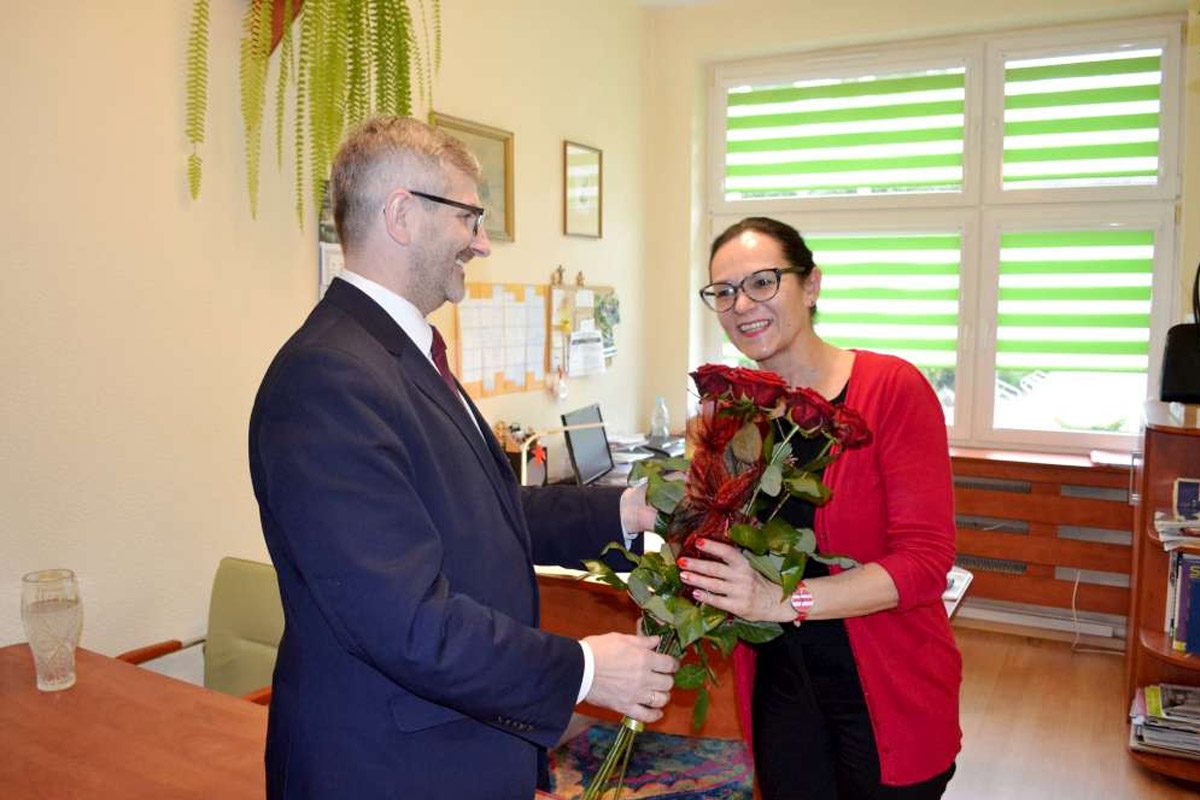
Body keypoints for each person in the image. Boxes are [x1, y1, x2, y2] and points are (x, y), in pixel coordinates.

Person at [247, 116, 678, 800]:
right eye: (469, 218)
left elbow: (484, 511)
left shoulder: (399, 353)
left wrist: (627, 509)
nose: (481, 243)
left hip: (455, 748)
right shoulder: (328, 377)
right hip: (387, 770)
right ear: (401, 215)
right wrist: (585, 670)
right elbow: (406, 620)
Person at [678, 217, 961, 799]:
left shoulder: (892, 390)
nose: (742, 305)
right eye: (724, 292)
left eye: (762, 282)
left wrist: (784, 602)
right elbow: (709, 546)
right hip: (781, 689)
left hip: (886, 689)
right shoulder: (734, 415)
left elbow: (925, 563)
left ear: (811, 286)